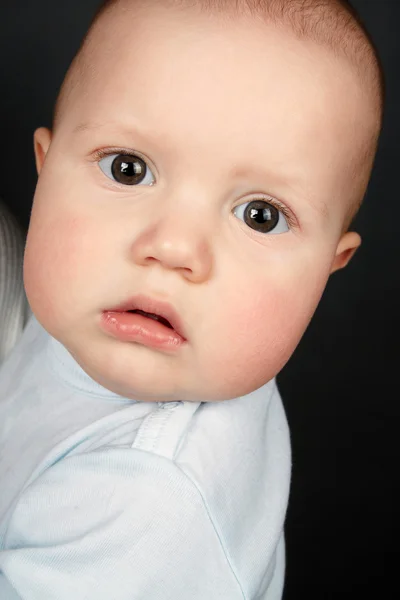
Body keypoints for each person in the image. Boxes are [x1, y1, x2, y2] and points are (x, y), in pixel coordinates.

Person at [0, 0, 384, 598]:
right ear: (45, 173)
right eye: (128, 169)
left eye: (260, 216)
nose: (174, 248)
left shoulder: (148, 502)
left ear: (328, 270)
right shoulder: (91, 302)